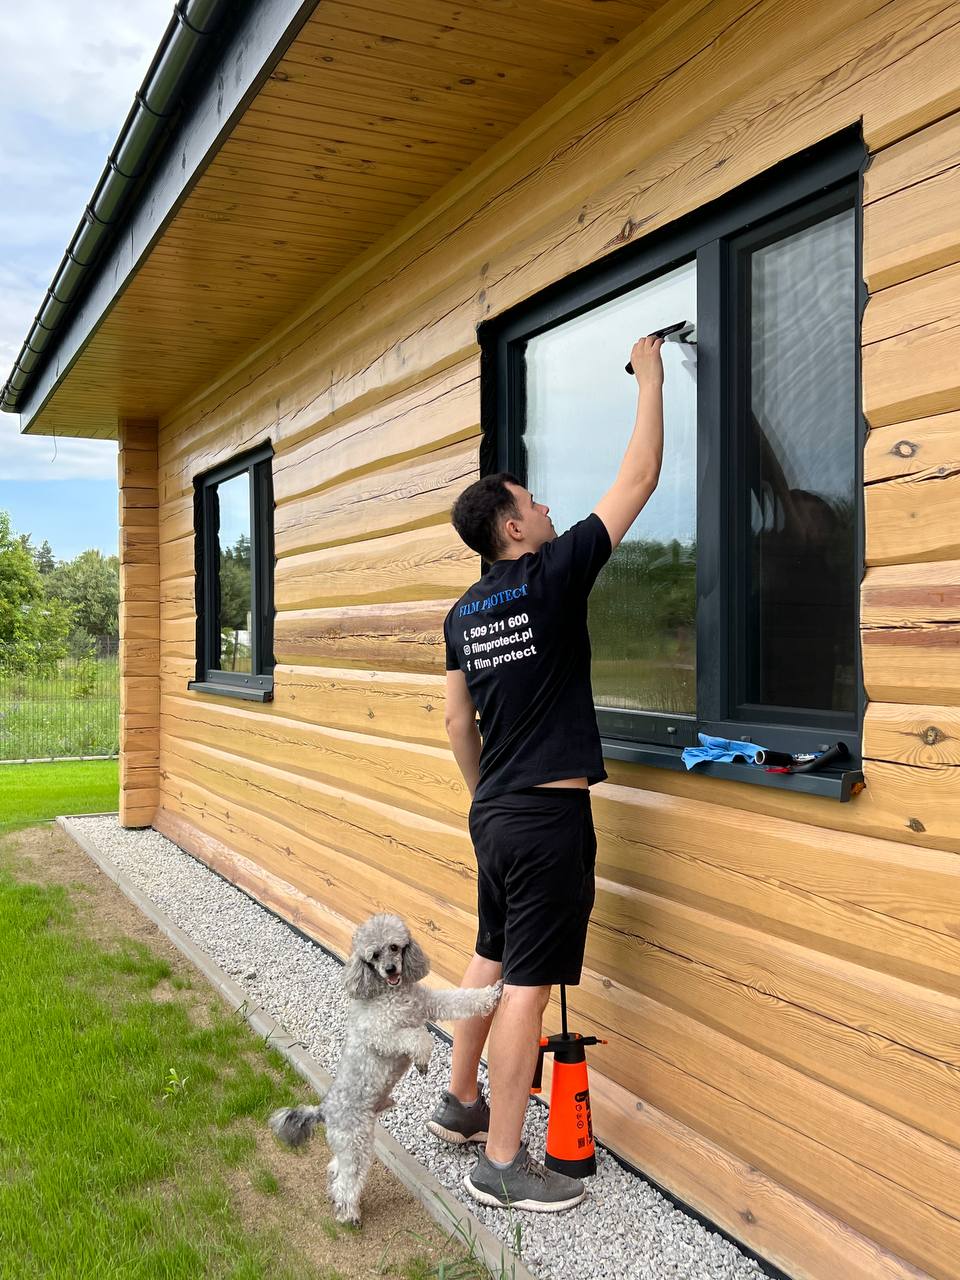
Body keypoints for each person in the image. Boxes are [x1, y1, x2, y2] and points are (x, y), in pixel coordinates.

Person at [426, 334, 666, 1211]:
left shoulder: (463, 613)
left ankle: (460, 1103)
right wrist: (650, 378)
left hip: (495, 815)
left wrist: (486, 798)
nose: (547, 505)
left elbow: (457, 721)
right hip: (545, 822)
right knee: (527, 986)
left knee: (490, 957)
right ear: (513, 528)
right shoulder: (550, 577)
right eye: (533, 500)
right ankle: (501, 1161)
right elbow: (638, 480)